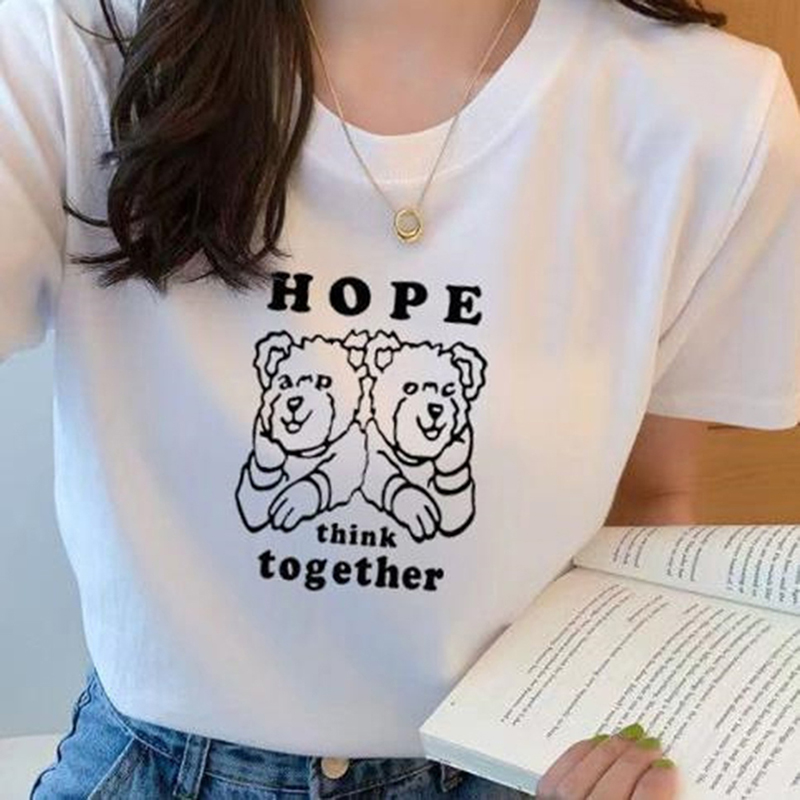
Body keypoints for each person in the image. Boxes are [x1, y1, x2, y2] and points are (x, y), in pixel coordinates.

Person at [2, 0, 799, 797]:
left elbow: (650, 503)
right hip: (154, 765)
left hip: (519, 768)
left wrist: (628, 747)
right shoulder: (77, 44)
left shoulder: (711, 115)